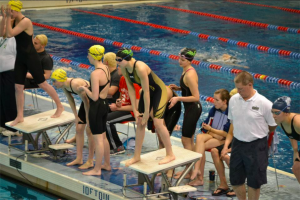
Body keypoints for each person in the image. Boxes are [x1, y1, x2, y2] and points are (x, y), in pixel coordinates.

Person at [5, 1, 64, 126]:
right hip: (20, 57)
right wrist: (6, 19)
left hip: (31, 57)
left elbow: (10, 34)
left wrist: (7, 18)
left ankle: (60, 106)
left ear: (15, 10)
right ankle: (20, 116)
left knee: (42, 83)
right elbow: (4, 34)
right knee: (18, 87)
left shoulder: (26, 21)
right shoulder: (14, 20)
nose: (10, 14)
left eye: (11, 12)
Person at [222, 71, 277, 200]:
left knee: (254, 182)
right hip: (238, 144)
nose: (238, 91)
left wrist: (258, 132)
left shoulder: (264, 103)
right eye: (237, 88)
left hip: (256, 145)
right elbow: (232, 122)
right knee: (235, 180)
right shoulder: (234, 100)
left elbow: (273, 125)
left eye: (241, 89)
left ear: (250, 85)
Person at [116, 47, 175, 166]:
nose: (117, 62)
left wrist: (147, 112)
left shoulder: (140, 68)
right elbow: (131, 90)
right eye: (116, 59)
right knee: (139, 122)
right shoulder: (124, 67)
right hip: (146, 93)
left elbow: (147, 91)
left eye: (119, 59)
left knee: (158, 123)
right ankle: (136, 156)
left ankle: (170, 154)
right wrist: (135, 110)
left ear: (127, 59)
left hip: (159, 92)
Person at [50, 69, 95, 170]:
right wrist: (76, 116)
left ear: (60, 80)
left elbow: (87, 101)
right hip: (86, 103)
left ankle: (90, 161)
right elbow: (70, 99)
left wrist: (88, 119)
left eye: (54, 81)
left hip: (93, 102)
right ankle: (79, 158)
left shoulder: (74, 84)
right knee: (79, 129)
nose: (53, 83)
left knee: (89, 131)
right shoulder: (64, 85)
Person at [169, 48, 202, 178]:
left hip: (193, 108)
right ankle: (192, 169)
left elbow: (196, 97)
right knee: (189, 140)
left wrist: (178, 97)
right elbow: (188, 89)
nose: (180, 61)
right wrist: (179, 88)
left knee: (185, 140)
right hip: (190, 108)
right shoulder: (186, 71)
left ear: (189, 60)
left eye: (182, 60)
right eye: (179, 59)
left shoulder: (189, 74)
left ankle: (188, 172)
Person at [79, 45, 111, 176]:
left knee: (98, 140)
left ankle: (97, 169)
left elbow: (94, 96)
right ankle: (107, 164)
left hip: (96, 107)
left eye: (88, 54)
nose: (87, 57)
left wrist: (84, 88)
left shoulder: (95, 73)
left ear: (92, 56)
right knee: (103, 137)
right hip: (104, 105)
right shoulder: (106, 69)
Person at [188, 89, 231, 186]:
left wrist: (211, 130)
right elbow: (203, 126)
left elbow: (227, 135)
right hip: (215, 136)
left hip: (225, 141)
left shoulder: (230, 113)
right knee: (199, 137)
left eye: (217, 100)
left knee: (198, 146)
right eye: (213, 99)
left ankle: (199, 175)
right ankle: (197, 172)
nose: (213, 102)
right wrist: (213, 133)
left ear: (224, 101)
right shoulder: (214, 109)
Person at [105, 52, 141, 155]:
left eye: (119, 67)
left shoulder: (134, 83)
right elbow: (121, 97)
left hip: (133, 112)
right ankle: (105, 141)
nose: (117, 69)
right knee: (100, 111)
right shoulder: (122, 79)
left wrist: (118, 108)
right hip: (124, 108)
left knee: (107, 121)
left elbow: (136, 107)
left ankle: (117, 147)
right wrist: (118, 102)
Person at [210, 88, 238, 197]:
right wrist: (226, 147)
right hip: (233, 142)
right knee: (214, 151)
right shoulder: (233, 113)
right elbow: (230, 134)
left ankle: (238, 186)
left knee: (226, 157)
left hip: (244, 145)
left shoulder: (244, 114)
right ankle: (223, 184)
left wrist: (229, 150)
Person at [272, 96, 300, 183]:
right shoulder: (280, 121)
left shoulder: (297, 122)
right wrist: (295, 151)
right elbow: (291, 135)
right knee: (296, 169)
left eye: (277, 113)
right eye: (272, 112)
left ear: (286, 113)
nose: (273, 116)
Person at [0, 8, 17, 135]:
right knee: (0, 99)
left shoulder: (14, 40)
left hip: (9, 73)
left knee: (9, 99)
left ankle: (12, 126)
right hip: (1, 73)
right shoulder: (1, 39)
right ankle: (1, 124)